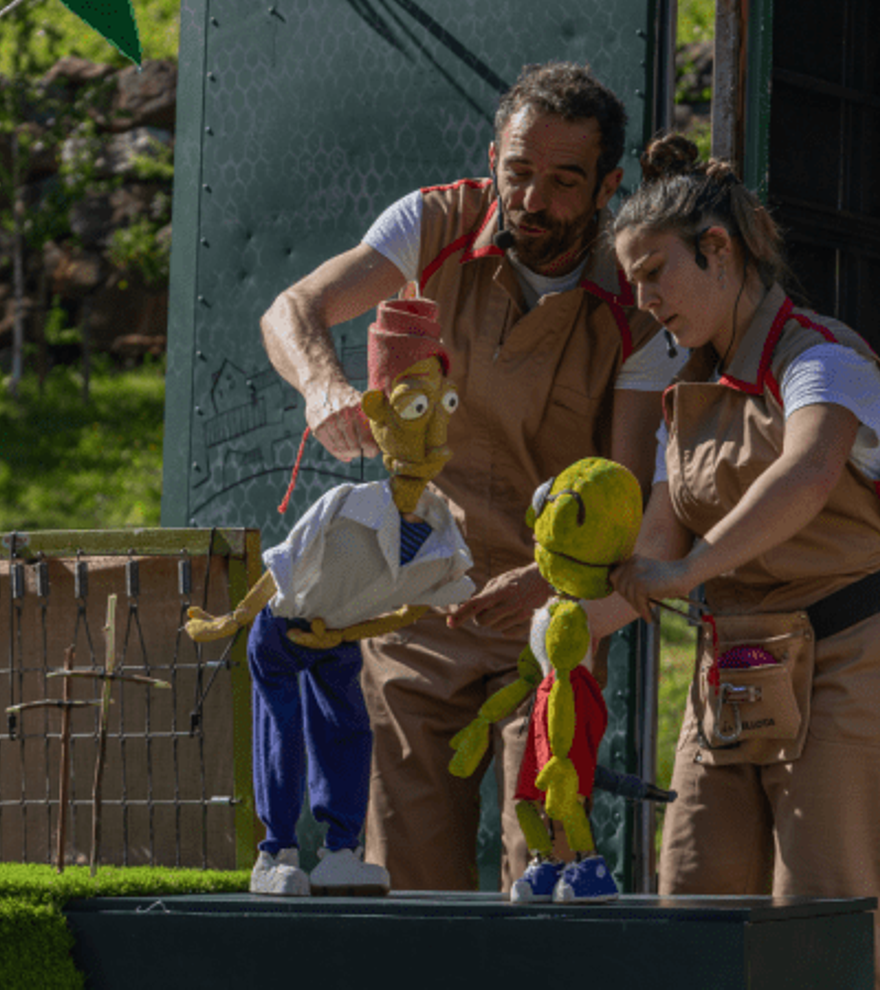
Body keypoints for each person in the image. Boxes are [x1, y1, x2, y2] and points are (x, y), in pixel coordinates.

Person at [260, 62, 677, 892]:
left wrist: (566, 597)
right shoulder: (433, 221)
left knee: (549, 868)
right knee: (406, 880)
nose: (533, 198)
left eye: (563, 182)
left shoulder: (637, 299)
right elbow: (291, 309)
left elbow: (627, 496)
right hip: (417, 599)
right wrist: (323, 386)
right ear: (494, 158)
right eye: (518, 172)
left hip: (550, 608)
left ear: (607, 187)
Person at [583, 133, 880, 985]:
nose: (643, 302)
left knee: (824, 908)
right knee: (693, 894)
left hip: (846, 664)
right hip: (731, 671)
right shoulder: (688, 393)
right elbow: (652, 553)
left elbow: (809, 472)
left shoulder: (824, 360)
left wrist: (684, 575)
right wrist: (550, 632)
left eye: (653, 275)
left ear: (717, 249)